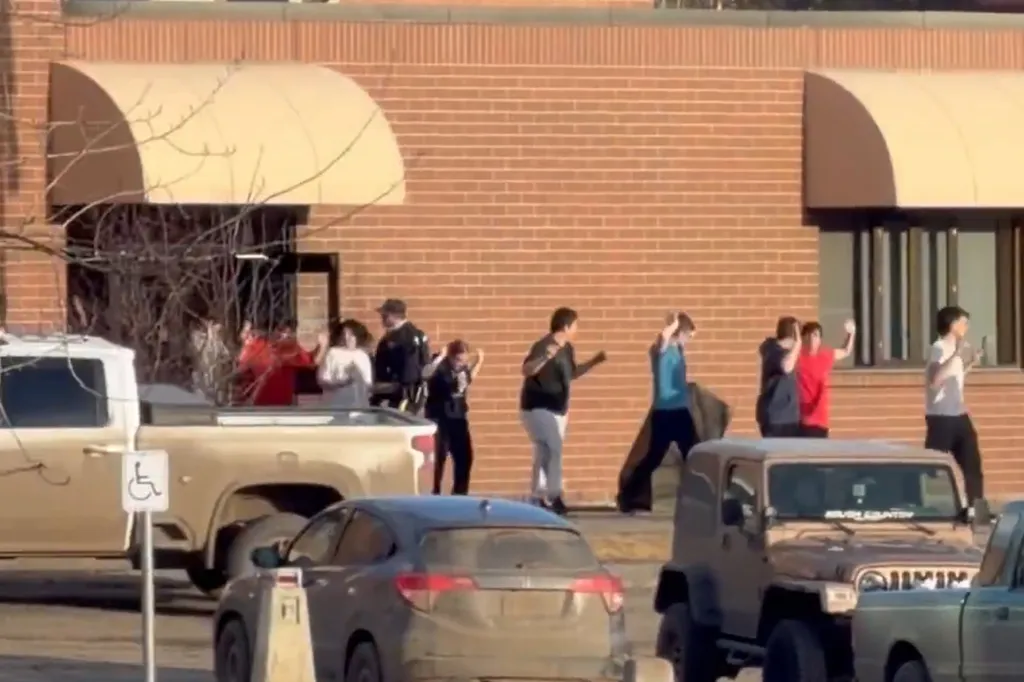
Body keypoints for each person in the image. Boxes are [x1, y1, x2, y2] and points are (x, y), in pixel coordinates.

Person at [520, 307, 607, 515]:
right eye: (575, 325)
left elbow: (572, 374)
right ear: (565, 326)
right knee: (554, 447)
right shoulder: (544, 345)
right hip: (538, 407)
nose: (577, 329)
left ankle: (538, 496)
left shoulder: (567, 349)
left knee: (544, 451)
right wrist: (544, 358)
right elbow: (526, 370)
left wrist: (594, 362)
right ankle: (553, 495)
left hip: (557, 408)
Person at [618, 312, 698, 514]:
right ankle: (628, 495)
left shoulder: (679, 350)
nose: (688, 340)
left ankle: (698, 497)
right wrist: (673, 325)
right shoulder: (660, 350)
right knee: (654, 457)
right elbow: (663, 339)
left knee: (695, 453)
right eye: (687, 335)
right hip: (665, 412)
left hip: (681, 411)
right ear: (678, 332)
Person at [924, 305, 985, 506]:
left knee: (972, 466)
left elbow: (954, 378)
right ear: (952, 325)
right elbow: (935, 380)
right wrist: (957, 354)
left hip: (959, 415)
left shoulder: (953, 351)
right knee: (931, 470)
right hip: (942, 419)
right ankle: (921, 506)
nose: (966, 326)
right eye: (963, 322)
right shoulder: (939, 347)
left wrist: (971, 364)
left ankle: (976, 509)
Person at [424, 340, 484, 495]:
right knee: (438, 459)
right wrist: (440, 357)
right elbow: (426, 374)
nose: (460, 364)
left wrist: (479, 362)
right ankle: (434, 492)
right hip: (439, 418)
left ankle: (460, 494)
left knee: (465, 457)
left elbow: (469, 378)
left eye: (464, 361)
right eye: (457, 360)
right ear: (449, 357)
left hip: (457, 418)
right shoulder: (440, 369)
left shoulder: (462, 370)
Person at [796, 319, 856, 438]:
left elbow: (845, 351)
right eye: (810, 335)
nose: (813, 339)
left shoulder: (825, 356)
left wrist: (851, 333)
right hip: (799, 418)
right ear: (803, 338)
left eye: (817, 336)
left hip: (819, 419)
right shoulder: (797, 357)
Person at [238, 320, 319, 406]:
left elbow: (311, 363)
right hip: (262, 406)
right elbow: (241, 367)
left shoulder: (291, 349)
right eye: (281, 330)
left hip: (280, 407)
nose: (286, 335)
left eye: (290, 332)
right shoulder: (258, 346)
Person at [371, 299, 431, 411]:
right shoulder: (417, 334)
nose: (382, 318)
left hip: (402, 395)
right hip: (411, 392)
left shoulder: (400, 337)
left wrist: (395, 388)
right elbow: (425, 362)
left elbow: (409, 369)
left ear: (395, 315)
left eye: (385, 315)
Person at [756, 316, 802, 437]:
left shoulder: (779, 351)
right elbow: (786, 367)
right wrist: (797, 345)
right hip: (777, 416)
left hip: (789, 416)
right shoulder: (774, 351)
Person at [318, 319, 374, 409]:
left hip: (358, 407)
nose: (346, 338)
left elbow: (368, 383)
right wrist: (341, 383)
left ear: (357, 337)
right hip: (336, 405)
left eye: (351, 335)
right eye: (344, 334)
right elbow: (323, 380)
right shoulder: (332, 353)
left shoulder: (363, 356)